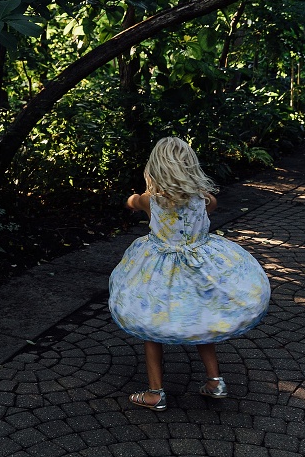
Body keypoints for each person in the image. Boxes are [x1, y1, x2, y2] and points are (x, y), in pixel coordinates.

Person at [108, 136, 270, 411]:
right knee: (202, 319)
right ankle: (215, 381)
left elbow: (130, 202)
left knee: (152, 323)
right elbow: (207, 213)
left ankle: (156, 392)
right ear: (190, 166)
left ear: (155, 168)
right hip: (201, 267)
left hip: (158, 270)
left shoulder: (150, 200)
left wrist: (133, 197)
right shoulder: (206, 199)